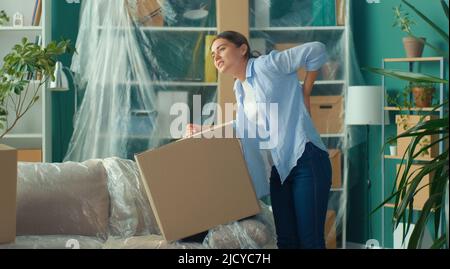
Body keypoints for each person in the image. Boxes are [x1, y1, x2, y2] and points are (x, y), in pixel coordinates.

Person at [186, 31, 332, 249]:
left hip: (305, 158)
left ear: (242, 49)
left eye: (222, 49)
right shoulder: (240, 88)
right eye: (213, 53)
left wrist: (306, 92)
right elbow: (242, 126)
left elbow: (317, 49)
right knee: (286, 241)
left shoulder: (267, 65)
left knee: (310, 241)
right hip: (279, 170)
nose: (216, 56)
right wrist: (203, 129)